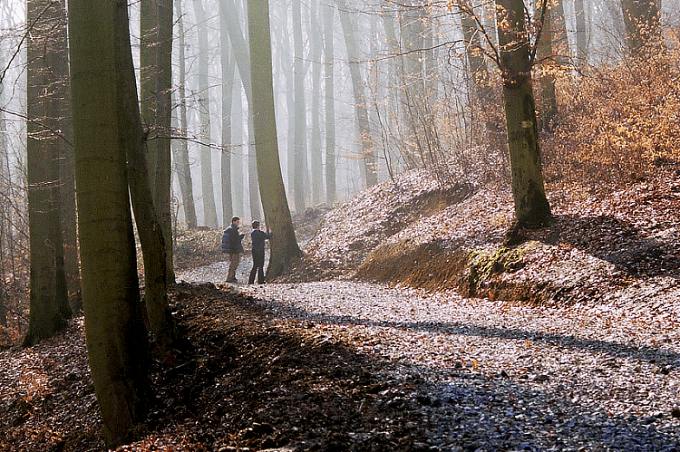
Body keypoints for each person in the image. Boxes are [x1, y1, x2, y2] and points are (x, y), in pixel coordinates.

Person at [221, 217, 245, 283]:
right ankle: (229, 278)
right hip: (234, 249)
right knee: (234, 264)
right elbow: (235, 240)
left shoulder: (229, 229)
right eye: (237, 222)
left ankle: (233, 277)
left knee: (233, 263)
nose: (238, 223)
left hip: (231, 249)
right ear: (233, 222)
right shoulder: (233, 230)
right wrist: (241, 236)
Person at [249, 221, 272, 285]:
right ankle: (260, 280)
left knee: (255, 265)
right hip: (260, 250)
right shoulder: (260, 233)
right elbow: (268, 236)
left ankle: (251, 280)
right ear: (258, 226)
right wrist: (270, 231)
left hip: (254, 250)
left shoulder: (252, 233)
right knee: (261, 265)